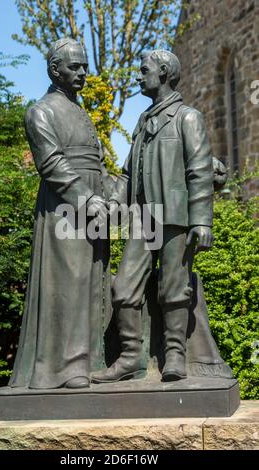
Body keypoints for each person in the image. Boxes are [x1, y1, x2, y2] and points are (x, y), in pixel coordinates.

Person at [92, 49, 214, 383]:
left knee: (173, 287)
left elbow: (200, 170)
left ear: (163, 72)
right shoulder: (144, 120)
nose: (138, 75)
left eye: (143, 69)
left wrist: (201, 220)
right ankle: (131, 357)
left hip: (175, 217)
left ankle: (175, 354)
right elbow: (129, 173)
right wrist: (115, 202)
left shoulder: (187, 118)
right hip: (144, 218)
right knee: (123, 287)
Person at [9, 38, 114, 389]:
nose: (83, 72)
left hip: (93, 206)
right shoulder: (41, 111)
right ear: (55, 69)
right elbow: (52, 163)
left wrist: (109, 194)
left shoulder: (80, 110)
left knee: (92, 282)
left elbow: (96, 161)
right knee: (67, 284)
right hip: (64, 209)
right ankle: (64, 369)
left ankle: (91, 360)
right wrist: (86, 198)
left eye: (85, 66)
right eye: (75, 66)